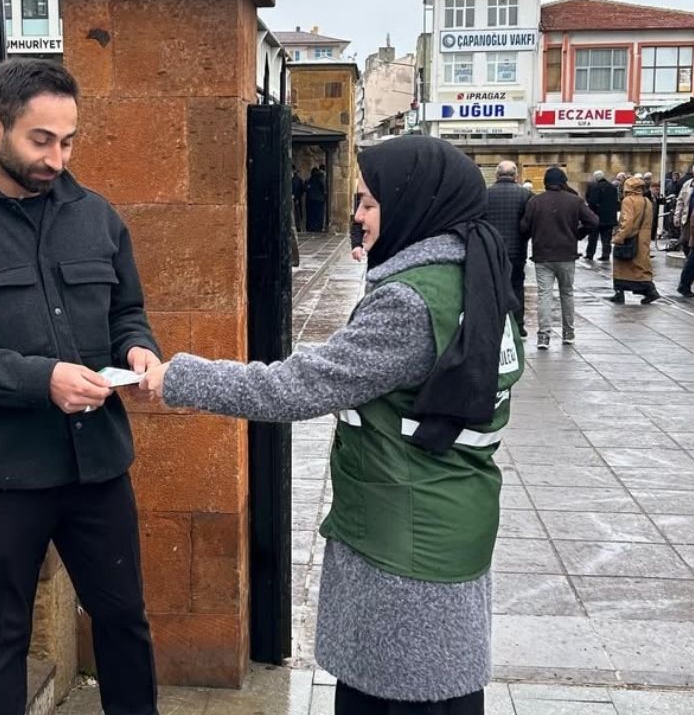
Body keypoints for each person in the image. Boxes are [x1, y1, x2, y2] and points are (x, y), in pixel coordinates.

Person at [140, 135, 524, 715]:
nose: (357, 217)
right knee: (440, 694)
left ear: (413, 202)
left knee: (395, 695)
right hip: (452, 519)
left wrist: (180, 378)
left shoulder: (410, 303)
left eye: (369, 203)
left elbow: (297, 385)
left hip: (403, 545)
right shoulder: (474, 274)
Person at [0, 60, 160, 715]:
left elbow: (127, 309)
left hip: (96, 464)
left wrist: (139, 348)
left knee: (124, 619)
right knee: (1, 638)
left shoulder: (96, 216)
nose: (57, 158)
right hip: (0, 473)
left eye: (68, 141)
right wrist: (40, 380)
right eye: (42, 140)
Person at [521, 166, 598, 350]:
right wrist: (578, 234)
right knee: (567, 293)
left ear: (546, 183)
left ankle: (543, 337)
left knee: (544, 295)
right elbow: (593, 221)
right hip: (566, 254)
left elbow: (524, 228)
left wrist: (536, 233)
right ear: (563, 181)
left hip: (543, 255)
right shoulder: (575, 201)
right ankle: (568, 333)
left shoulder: (535, 202)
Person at [487, 160, 533, 336]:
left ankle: (495, 326)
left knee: (493, 288)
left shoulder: (485, 194)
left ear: (497, 175)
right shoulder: (525, 195)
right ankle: (518, 325)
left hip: (492, 251)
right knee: (516, 286)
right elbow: (528, 224)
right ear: (516, 176)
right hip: (517, 251)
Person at [610, 176, 660, 304]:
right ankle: (649, 290)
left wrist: (619, 237)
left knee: (621, 265)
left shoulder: (628, 200)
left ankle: (619, 292)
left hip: (630, 237)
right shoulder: (646, 201)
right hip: (643, 239)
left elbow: (627, 221)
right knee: (641, 266)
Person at [585, 170, 618, 262]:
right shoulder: (613, 187)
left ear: (595, 178)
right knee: (606, 238)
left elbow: (592, 201)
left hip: (596, 216)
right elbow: (616, 202)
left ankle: (590, 254)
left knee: (592, 237)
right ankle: (606, 255)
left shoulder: (594, 186)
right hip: (609, 218)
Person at [305, 166, 327, 232]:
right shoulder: (321, 177)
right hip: (319, 200)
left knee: (311, 215)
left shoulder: (310, 179)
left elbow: (306, 188)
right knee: (319, 215)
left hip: (311, 200)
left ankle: (312, 228)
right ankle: (318, 228)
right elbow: (323, 187)